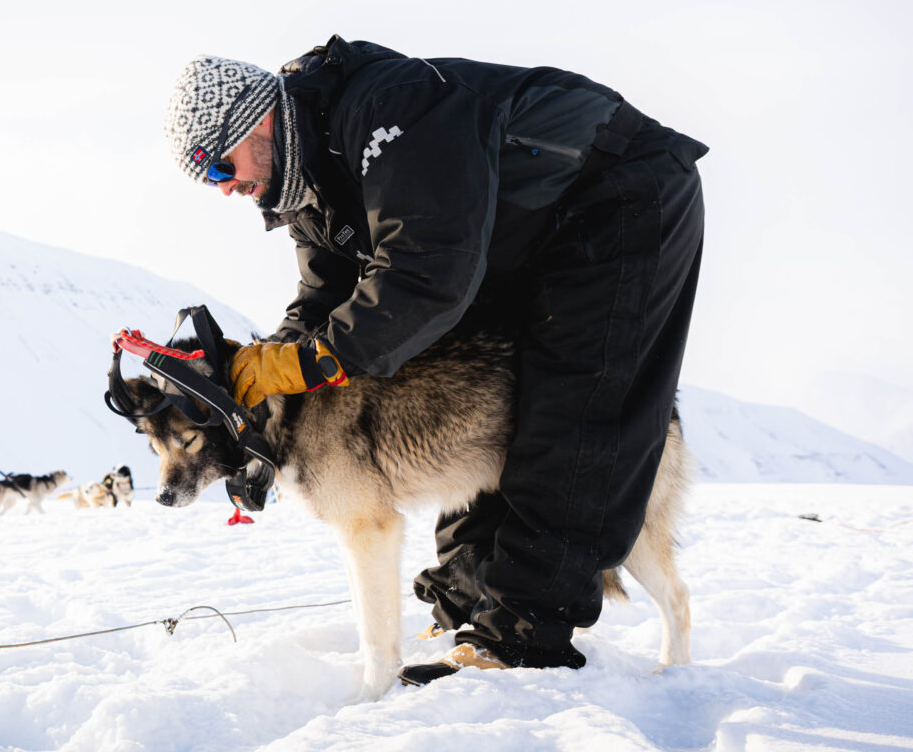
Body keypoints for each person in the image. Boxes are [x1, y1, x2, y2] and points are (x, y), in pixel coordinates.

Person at [163, 37, 706, 683]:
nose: (227, 191)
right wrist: (260, 373)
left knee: (570, 397)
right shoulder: (307, 184)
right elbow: (324, 297)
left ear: (257, 122)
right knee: (470, 396)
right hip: (524, 236)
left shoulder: (385, 113)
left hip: (618, 191)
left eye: (221, 170)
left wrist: (305, 364)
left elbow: (423, 280)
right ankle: (468, 605)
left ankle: (521, 633)